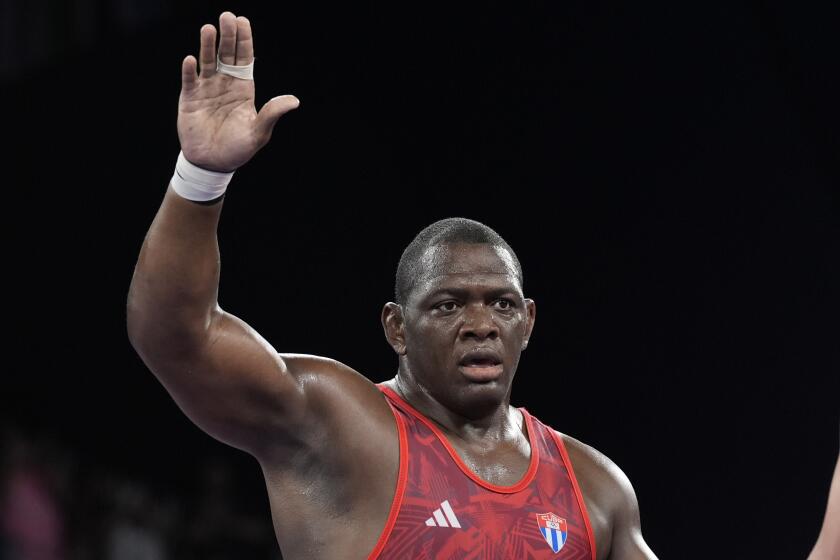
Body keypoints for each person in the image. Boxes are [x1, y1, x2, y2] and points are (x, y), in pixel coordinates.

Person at [127, 11, 657, 560]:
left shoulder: (595, 490)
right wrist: (201, 176)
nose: (480, 326)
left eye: (500, 304)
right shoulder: (340, 430)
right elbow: (176, 337)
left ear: (527, 322)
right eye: (448, 305)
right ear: (397, 328)